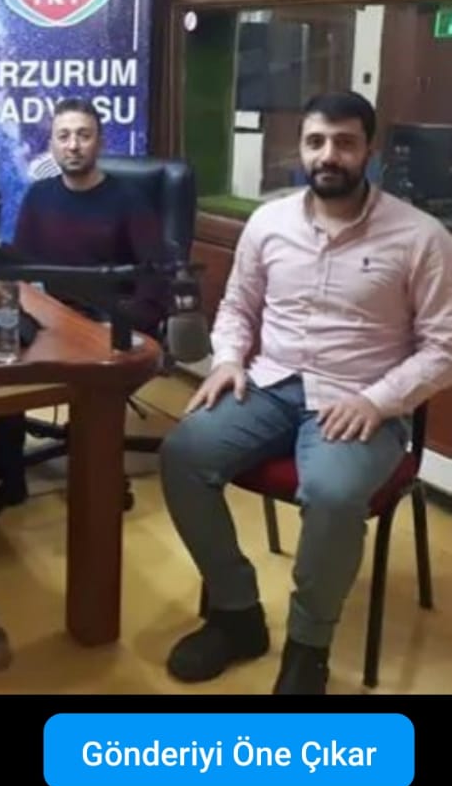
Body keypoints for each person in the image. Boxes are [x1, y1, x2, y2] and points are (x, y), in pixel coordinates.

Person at [160, 91, 452, 695]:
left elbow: (443, 346)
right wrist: (228, 359)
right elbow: (238, 305)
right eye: (316, 141)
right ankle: (237, 615)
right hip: (270, 385)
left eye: (345, 142)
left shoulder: (420, 236)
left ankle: (307, 647)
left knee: (332, 493)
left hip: (361, 402)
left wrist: (378, 400)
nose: (329, 155)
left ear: (369, 149)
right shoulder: (269, 223)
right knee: (183, 453)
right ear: (301, 147)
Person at [0, 98, 167, 520]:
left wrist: (129, 326)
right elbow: (22, 268)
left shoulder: (128, 200)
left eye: (83, 135)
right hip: (53, 316)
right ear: (53, 145)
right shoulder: (40, 196)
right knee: (2, 357)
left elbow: (158, 277)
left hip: (108, 321)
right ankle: (5, 476)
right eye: (64, 136)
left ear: (99, 142)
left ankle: (98, 472)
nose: (73, 145)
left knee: (90, 380)